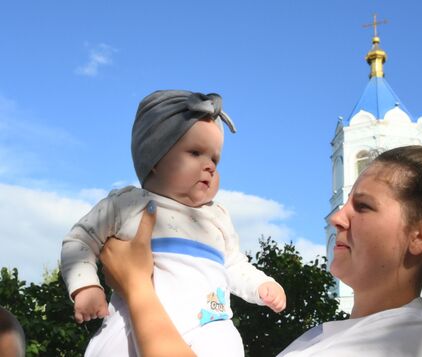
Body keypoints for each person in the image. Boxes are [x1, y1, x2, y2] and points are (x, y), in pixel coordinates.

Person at [100, 145, 422, 357]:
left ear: (421, 234)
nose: (338, 218)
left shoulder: (419, 343)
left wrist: (139, 288)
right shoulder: (331, 336)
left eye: (364, 206)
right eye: (346, 202)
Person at [60, 90, 286, 357]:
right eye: (195, 152)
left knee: (227, 340)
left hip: (207, 324)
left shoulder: (217, 217)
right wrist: (86, 286)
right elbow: (80, 240)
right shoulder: (129, 203)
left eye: (214, 159)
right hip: (134, 320)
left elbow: (234, 264)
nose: (210, 166)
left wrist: (261, 285)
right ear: (155, 159)